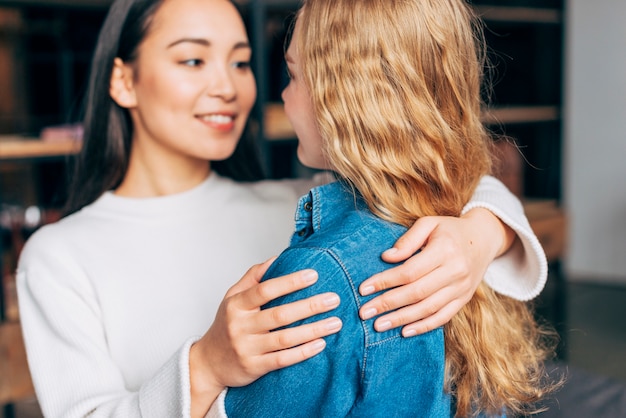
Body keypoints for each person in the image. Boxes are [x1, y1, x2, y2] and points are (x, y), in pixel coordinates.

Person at [16, 0, 547, 417]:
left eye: (241, 62)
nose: (226, 87)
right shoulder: (59, 254)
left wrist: (477, 236)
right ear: (124, 80)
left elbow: (439, 175)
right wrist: (204, 365)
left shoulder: (299, 203)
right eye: (193, 59)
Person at [219, 0, 557, 417]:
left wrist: (482, 234)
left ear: (342, 97)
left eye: (292, 74)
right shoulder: (448, 213)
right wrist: (484, 233)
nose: (283, 96)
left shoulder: (318, 276)